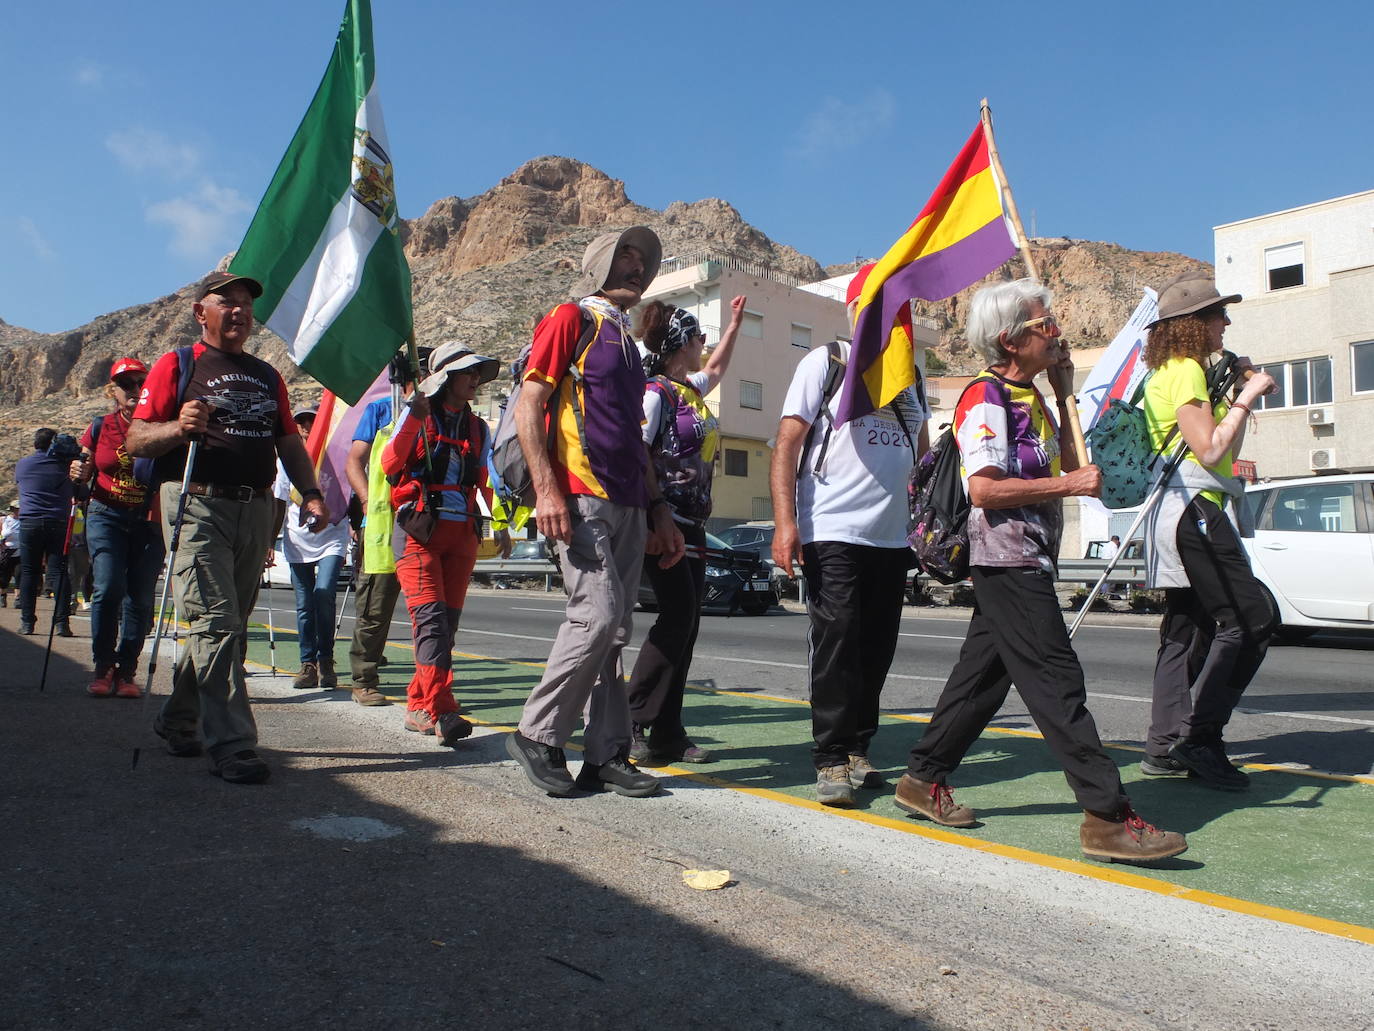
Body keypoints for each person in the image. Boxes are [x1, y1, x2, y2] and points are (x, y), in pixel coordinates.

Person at [895, 279, 1187, 864]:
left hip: (1029, 556)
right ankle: (1106, 817)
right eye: (1043, 323)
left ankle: (922, 779)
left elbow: (1083, 470)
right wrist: (1070, 483)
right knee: (1057, 683)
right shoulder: (984, 398)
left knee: (982, 679)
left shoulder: (1032, 399)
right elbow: (983, 488)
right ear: (1009, 339)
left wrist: (1065, 395)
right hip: (1004, 558)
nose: (1056, 330)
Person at [126, 271, 330, 786]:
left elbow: (288, 443)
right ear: (201, 312)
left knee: (227, 629)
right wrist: (179, 426)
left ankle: (177, 717)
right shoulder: (178, 365)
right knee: (216, 625)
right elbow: (135, 439)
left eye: (246, 304)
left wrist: (311, 492)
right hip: (196, 505)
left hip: (254, 509)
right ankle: (234, 744)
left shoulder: (267, 375)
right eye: (228, 302)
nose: (240, 311)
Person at [505, 227, 685, 799]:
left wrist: (659, 509)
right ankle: (538, 732)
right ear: (599, 266)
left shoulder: (629, 343)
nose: (635, 268)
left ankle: (607, 753)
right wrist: (547, 491)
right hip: (579, 493)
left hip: (630, 500)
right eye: (623, 257)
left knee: (615, 632)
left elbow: (635, 436)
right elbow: (531, 402)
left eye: (642, 261)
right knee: (598, 615)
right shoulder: (569, 318)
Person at [770, 266, 931, 807]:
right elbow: (787, 443)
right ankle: (831, 757)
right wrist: (786, 523)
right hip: (832, 528)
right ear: (856, 309)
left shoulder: (913, 375)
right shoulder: (827, 361)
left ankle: (861, 746)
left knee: (876, 646)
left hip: (890, 537)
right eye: (878, 305)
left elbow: (922, 455)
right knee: (837, 640)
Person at [1138, 270, 1278, 789]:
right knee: (1253, 618)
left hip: (1177, 510)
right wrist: (1248, 396)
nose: (1226, 322)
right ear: (1195, 323)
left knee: (1188, 628)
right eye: (1219, 314)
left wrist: (1231, 387)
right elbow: (1213, 450)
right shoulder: (1185, 373)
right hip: (1194, 507)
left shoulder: (1173, 371)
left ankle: (1163, 744)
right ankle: (1200, 737)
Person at [625, 294, 747, 764]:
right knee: (676, 616)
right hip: (663, 522)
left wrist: (736, 325)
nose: (704, 343)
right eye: (699, 336)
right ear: (681, 343)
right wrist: (655, 515)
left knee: (689, 623)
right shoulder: (655, 393)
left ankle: (668, 733)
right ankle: (633, 719)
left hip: (693, 524)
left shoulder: (690, 391)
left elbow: (716, 369)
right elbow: (637, 455)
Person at [380, 342, 509, 746]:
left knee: (444, 629)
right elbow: (389, 465)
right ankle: (442, 709)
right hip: (420, 532)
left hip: (463, 532)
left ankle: (418, 705)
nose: (474, 379)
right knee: (432, 624)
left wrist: (501, 522)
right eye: (468, 372)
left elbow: (486, 478)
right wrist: (414, 420)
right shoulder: (415, 414)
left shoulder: (477, 427)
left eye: (476, 372)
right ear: (446, 378)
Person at [69, 358, 166, 697]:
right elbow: (83, 469)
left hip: (148, 520)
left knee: (139, 597)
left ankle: (126, 671)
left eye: (141, 381)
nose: (135, 389)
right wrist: (77, 474)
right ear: (113, 390)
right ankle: (103, 666)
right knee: (109, 587)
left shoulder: (159, 427)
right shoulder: (100, 427)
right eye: (127, 384)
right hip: (106, 513)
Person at [344, 348, 432, 707]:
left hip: (426, 525)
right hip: (383, 525)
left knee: (429, 611)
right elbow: (355, 462)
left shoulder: (442, 414)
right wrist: (367, 502)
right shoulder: (382, 409)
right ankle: (363, 679)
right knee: (374, 609)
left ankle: (428, 687)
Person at [273, 406, 352, 692]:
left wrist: (356, 523)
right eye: (301, 422)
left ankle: (326, 659)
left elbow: (349, 490)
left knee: (324, 594)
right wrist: (270, 541)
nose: (307, 426)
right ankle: (308, 664)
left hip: (332, 534)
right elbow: (280, 499)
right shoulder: (288, 460)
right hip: (297, 538)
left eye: (312, 421)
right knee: (304, 604)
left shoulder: (338, 455)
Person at [15, 428, 75, 637]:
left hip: (30, 522)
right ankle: (61, 624)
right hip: (58, 522)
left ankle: (27, 622)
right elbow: (82, 492)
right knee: (58, 572)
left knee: (30, 571)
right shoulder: (66, 467)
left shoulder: (23, 464)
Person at [1, 500, 21, 608]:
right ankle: (3, 596)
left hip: (20, 551)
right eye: (16, 509)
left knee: (19, 575)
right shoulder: (5, 520)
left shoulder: (25, 520)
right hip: (7, 552)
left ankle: (18, 599)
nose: (17, 511)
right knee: (4, 577)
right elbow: (2, 534)